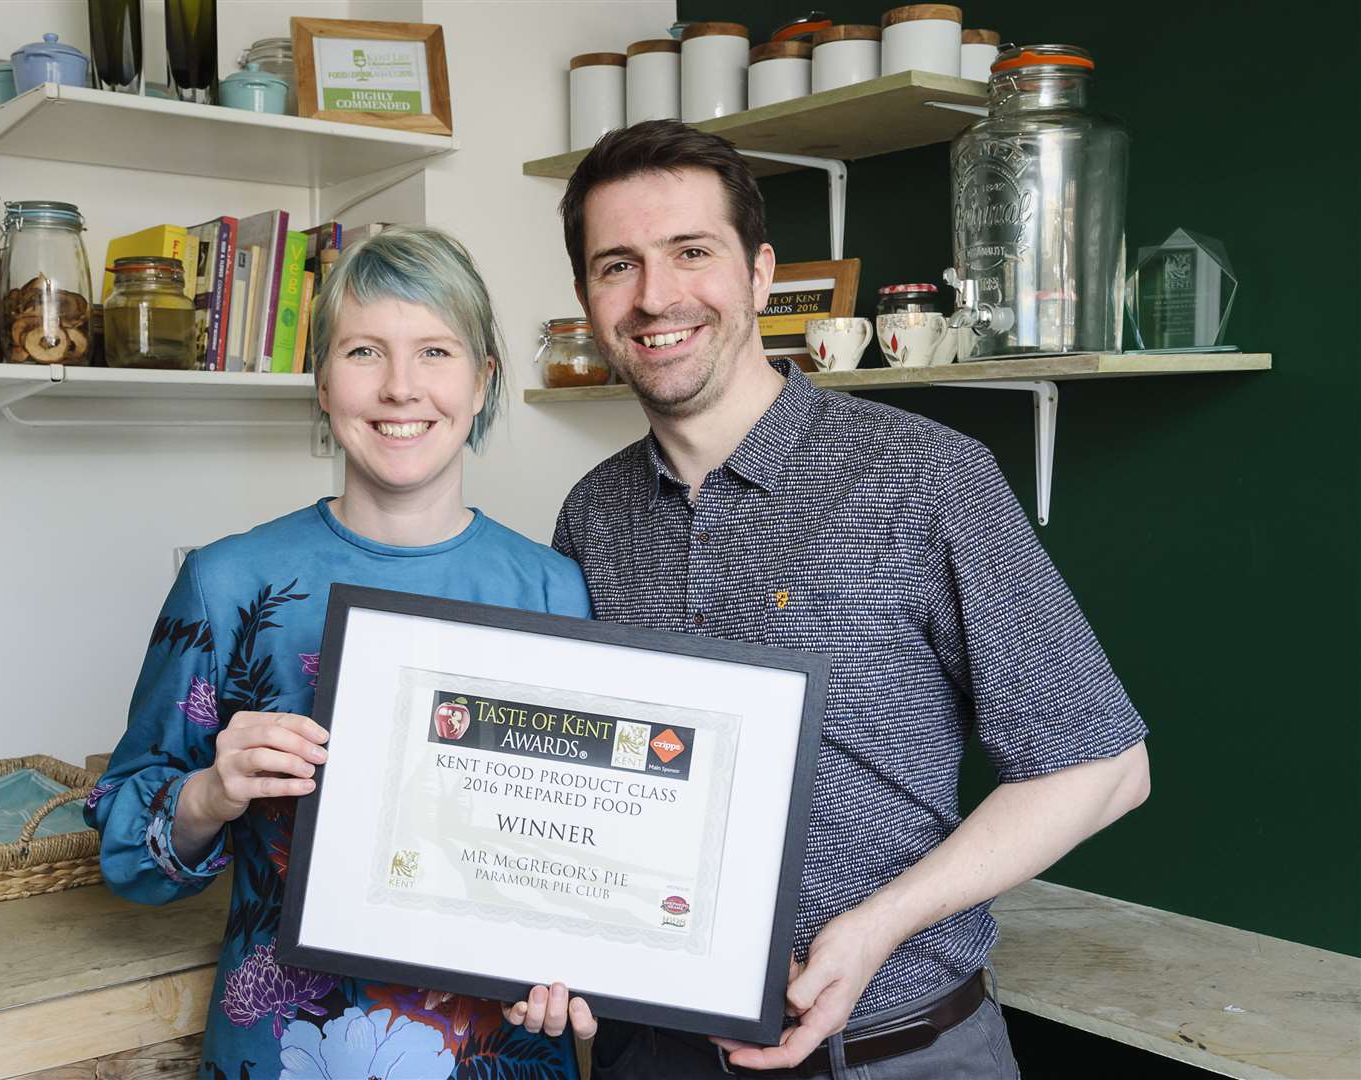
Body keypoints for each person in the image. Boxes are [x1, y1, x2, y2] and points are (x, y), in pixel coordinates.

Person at [550, 119, 1153, 1078]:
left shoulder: (925, 475)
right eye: (616, 265)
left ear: (757, 275)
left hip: (895, 1052)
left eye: (690, 253)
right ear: (587, 298)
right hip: (649, 1055)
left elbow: (1105, 769)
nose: (655, 296)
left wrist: (873, 931)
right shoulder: (592, 513)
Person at [86, 226, 593, 1079]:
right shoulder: (226, 583)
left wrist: (573, 966)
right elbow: (129, 853)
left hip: (499, 1051)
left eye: (435, 351)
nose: (401, 388)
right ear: (323, 382)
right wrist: (211, 792)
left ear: (482, 383)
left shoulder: (551, 590)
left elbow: (578, 846)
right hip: (284, 1054)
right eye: (364, 351)